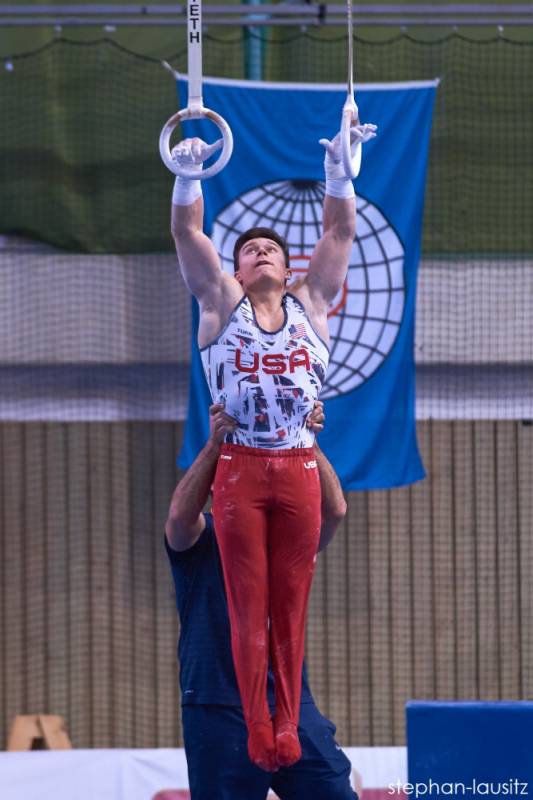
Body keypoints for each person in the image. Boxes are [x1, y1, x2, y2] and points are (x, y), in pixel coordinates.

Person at [171, 118, 376, 770]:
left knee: (289, 605)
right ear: (235, 269)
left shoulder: (311, 304)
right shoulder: (218, 304)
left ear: (289, 271)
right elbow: (188, 234)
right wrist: (187, 176)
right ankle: (259, 730)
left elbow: (339, 233)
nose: (260, 252)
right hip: (239, 466)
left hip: (296, 464)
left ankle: (287, 725)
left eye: (271, 249)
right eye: (249, 250)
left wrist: (339, 174)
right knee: (247, 603)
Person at [165, 402, 358, 800]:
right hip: (219, 704)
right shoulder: (202, 539)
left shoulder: (286, 537)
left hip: (288, 703)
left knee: (335, 793)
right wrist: (216, 445)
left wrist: (304, 442)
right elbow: (179, 518)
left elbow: (336, 509)